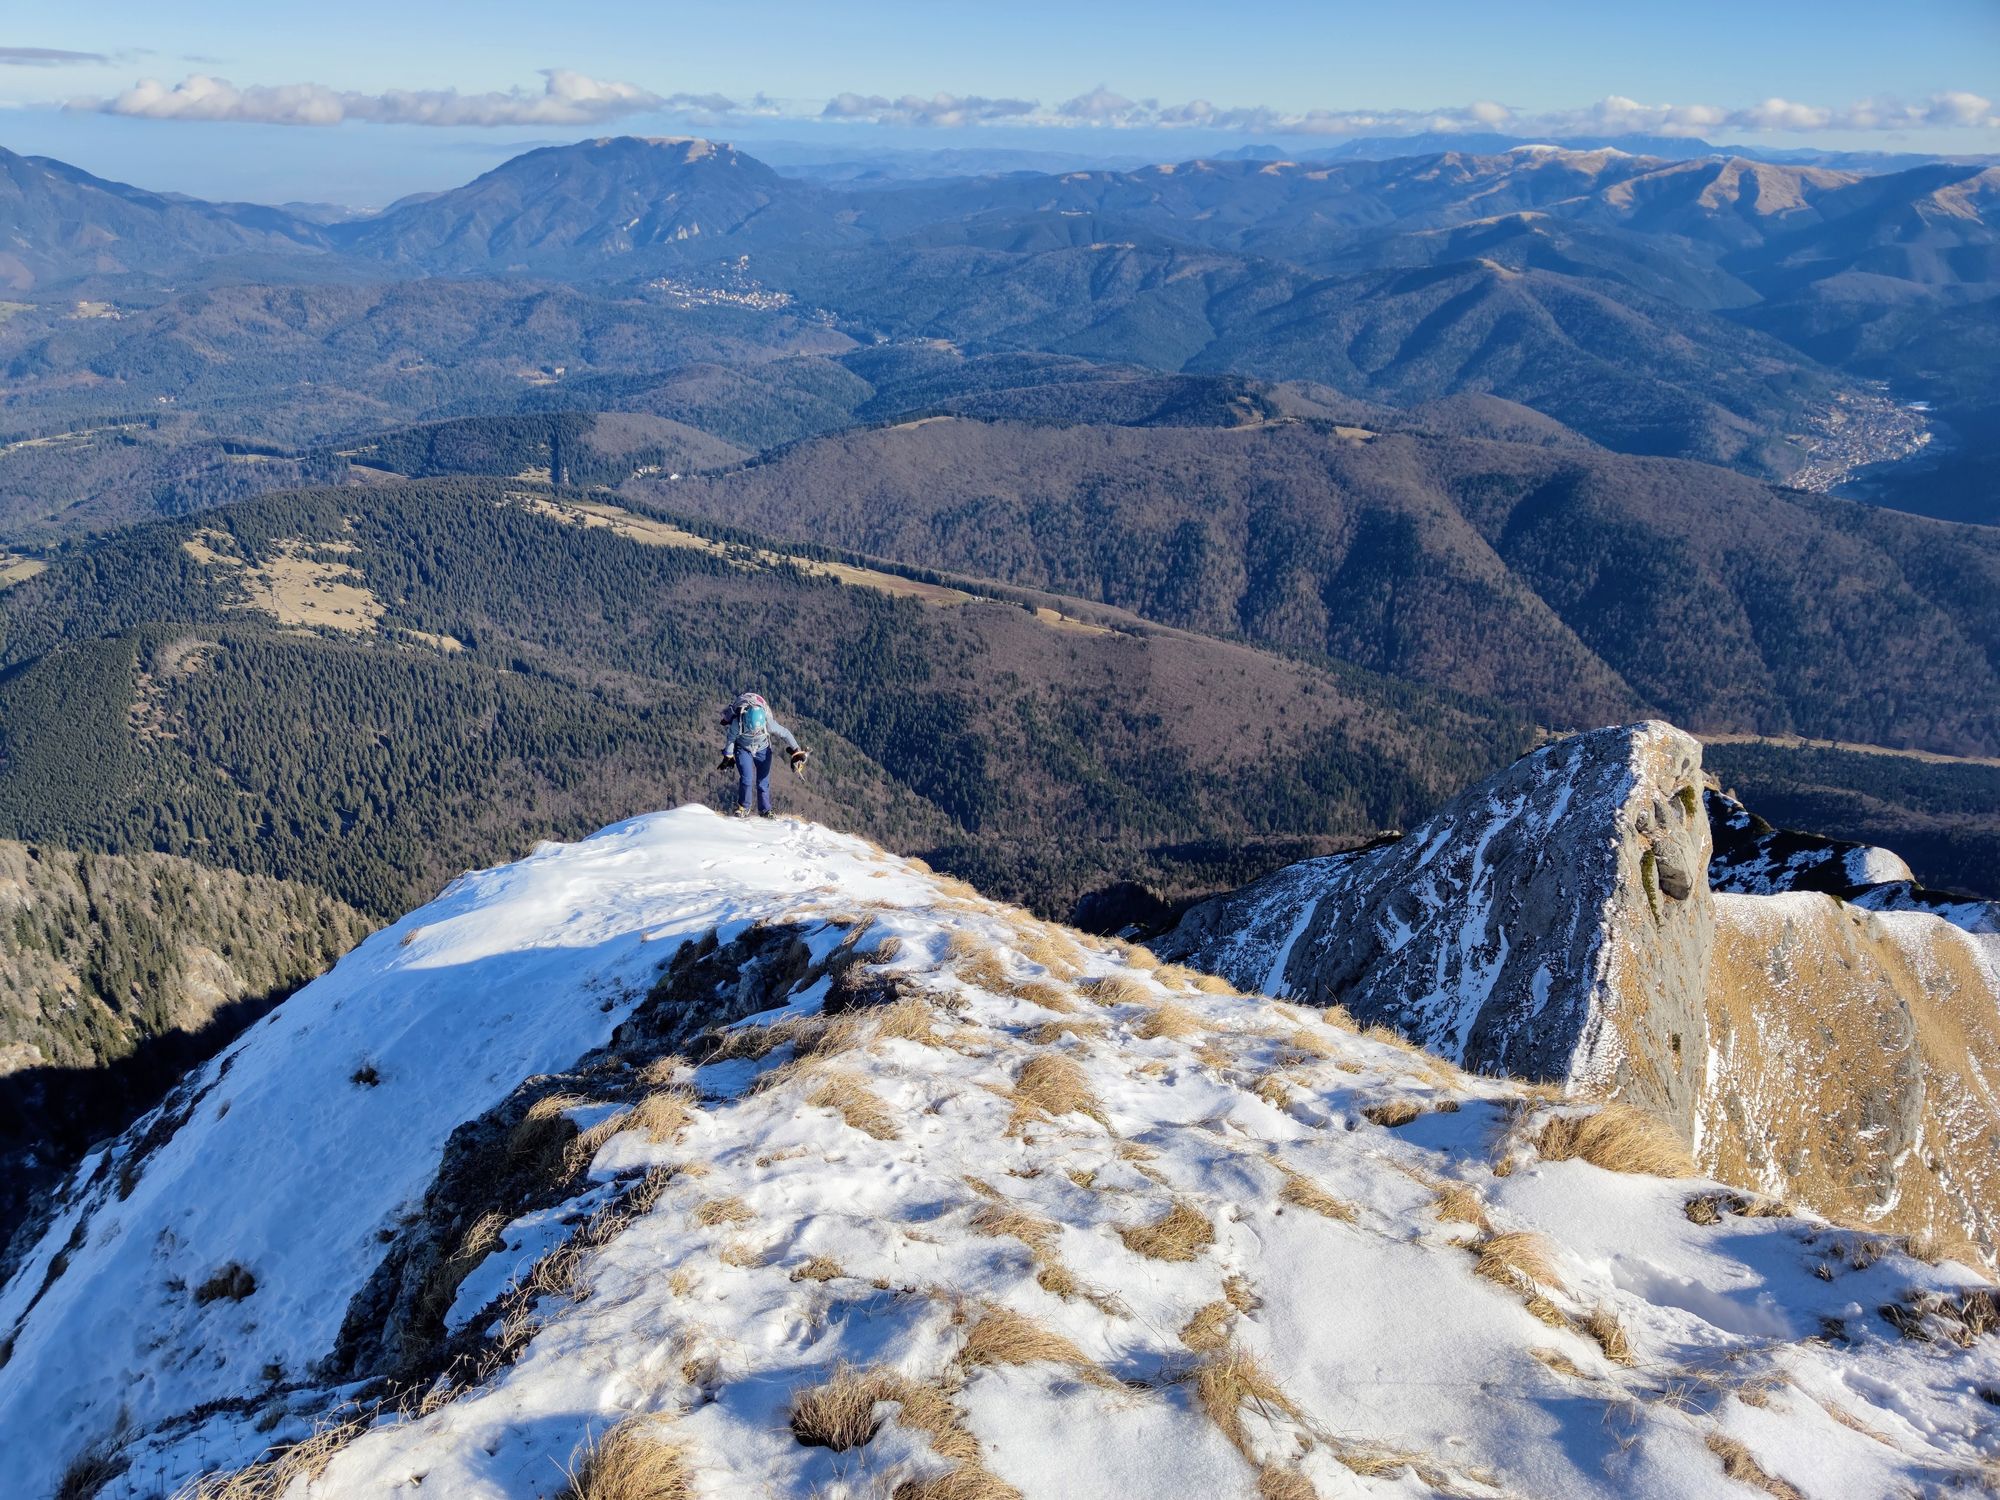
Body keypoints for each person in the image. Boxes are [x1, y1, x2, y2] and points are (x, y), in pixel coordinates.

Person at [716, 691, 809, 818]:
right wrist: (728, 755)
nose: (754, 732)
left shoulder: (767, 722)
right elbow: (731, 739)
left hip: (763, 749)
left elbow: (785, 733)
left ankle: (765, 810)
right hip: (743, 748)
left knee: (763, 781)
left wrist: (796, 750)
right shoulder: (737, 722)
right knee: (746, 778)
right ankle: (743, 807)